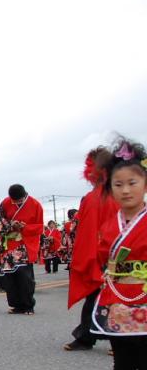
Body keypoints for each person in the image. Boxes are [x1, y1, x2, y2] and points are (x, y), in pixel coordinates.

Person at [89, 137, 147, 370]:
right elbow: (101, 256)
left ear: (145, 183)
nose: (125, 190)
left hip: (144, 298)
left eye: (132, 182)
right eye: (118, 184)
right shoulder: (111, 222)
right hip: (116, 298)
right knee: (122, 361)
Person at [65, 147, 119, 351]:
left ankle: (113, 339)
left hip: (113, 253)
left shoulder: (106, 194)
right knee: (98, 298)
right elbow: (86, 230)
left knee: (113, 298)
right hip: (103, 253)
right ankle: (88, 336)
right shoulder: (95, 196)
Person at [0, 184, 44, 315]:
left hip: (25, 243)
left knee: (25, 277)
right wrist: (11, 224)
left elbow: (40, 227)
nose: (15, 203)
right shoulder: (5, 202)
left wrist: (24, 227)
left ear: (24, 196)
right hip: (10, 243)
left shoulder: (35, 205)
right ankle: (15, 305)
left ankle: (28, 305)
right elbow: (1, 218)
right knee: (9, 276)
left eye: (18, 201)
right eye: (13, 201)